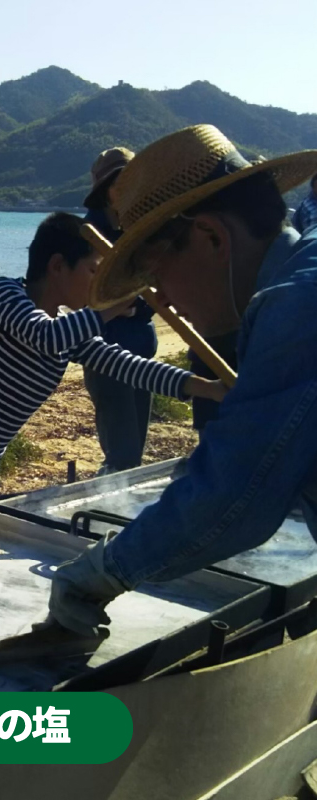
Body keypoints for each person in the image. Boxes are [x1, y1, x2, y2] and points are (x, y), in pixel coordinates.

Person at [41, 124, 317, 639]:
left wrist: (101, 572)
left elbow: (234, 497)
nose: (157, 300)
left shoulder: (298, 308)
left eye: (155, 274)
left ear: (212, 238)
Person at [0, 212, 226, 524]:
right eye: (94, 271)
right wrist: (109, 308)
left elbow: (129, 367)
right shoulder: (5, 295)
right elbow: (44, 337)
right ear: (58, 266)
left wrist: (206, 387)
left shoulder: (68, 326)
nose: (98, 284)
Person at [82, 148, 158, 474]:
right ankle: (110, 507)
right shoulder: (88, 234)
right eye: (119, 184)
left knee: (135, 443)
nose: (126, 192)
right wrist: (120, 306)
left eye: (132, 183)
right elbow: (83, 293)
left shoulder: (143, 227)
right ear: (104, 190)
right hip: (107, 347)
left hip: (141, 341)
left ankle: (122, 501)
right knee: (121, 449)